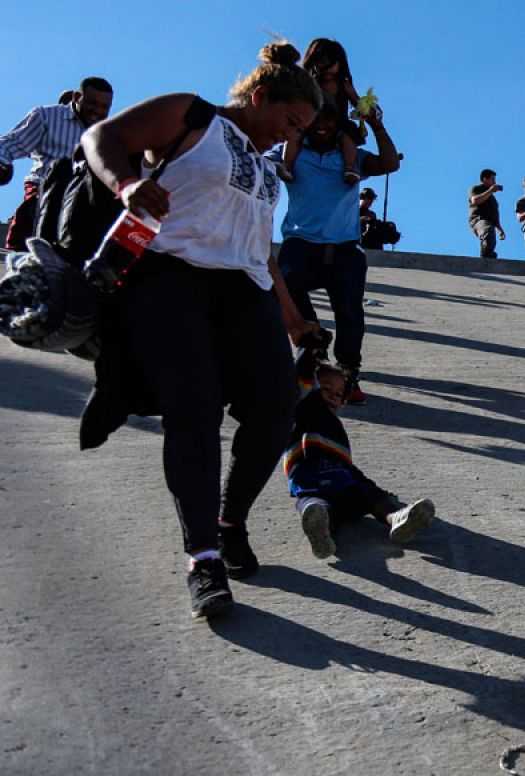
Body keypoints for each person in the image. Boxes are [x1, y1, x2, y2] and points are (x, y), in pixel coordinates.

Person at [80, 42, 323, 618]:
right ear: (260, 96)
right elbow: (101, 139)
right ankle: (204, 557)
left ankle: (229, 520)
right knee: (195, 409)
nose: (289, 137)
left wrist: (294, 321)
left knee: (274, 407)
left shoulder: (266, 169)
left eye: (302, 131)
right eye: (289, 121)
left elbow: (260, 252)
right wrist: (126, 186)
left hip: (246, 290)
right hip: (170, 277)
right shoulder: (193, 116)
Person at [269, 97, 401, 406]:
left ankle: (347, 373)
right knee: (286, 291)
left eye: (329, 121)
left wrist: (377, 125)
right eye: (316, 121)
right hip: (301, 244)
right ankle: (314, 355)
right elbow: (262, 162)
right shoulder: (294, 152)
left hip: (343, 247)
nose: (323, 126)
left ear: (340, 125)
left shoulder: (351, 158)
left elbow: (390, 163)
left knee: (350, 315)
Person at [286, 354, 434, 559]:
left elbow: (348, 468)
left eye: (338, 394)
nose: (332, 396)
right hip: (313, 489)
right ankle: (321, 532)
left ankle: (396, 518)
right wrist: (309, 347)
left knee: (371, 496)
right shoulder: (305, 413)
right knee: (317, 509)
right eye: (325, 390)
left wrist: (375, 489)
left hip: (346, 488)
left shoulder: (334, 429)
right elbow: (301, 375)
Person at [0, 77, 114, 250]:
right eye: (92, 103)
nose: (97, 110)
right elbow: (12, 144)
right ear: (76, 97)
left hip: (80, 201)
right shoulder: (47, 117)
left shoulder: (107, 134)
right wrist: (2, 162)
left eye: (104, 107)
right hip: (42, 189)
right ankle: (19, 254)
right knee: (29, 225)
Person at [277, 38, 364, 186]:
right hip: (311, 123)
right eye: (321, 63)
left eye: (332, 64)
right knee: (294, 135)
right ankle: (287, 165)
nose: (328, 69)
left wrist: (367, 110)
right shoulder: (311, 83)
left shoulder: (344, 85)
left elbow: (358, 102)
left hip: (338, 125)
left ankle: (350, 167)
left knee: (346, 138)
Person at [468, 168, 505, 258]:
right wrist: (490, 191)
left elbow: (494, 214)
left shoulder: (493, 199)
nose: (494, 182)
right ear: (485, 179)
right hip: (478, 219)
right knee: (487, 232)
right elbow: (475, 200)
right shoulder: (476, 188)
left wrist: (499, 228)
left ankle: (488, 256)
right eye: (492, 179)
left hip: (490, 222)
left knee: (491, 239)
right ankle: (485, 258)